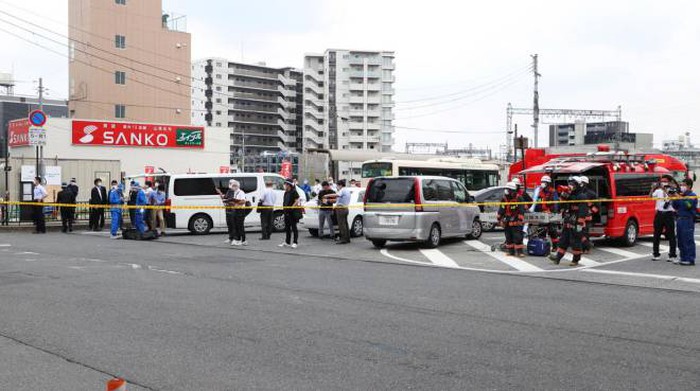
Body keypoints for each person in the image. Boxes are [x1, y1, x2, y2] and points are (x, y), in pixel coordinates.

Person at [550, 177, 589, 266]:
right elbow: (561, 207)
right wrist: (563, 197)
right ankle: (558, 258)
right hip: (568, 222)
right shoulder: (569, 195)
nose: (570, 186)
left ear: (578, 185)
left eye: (573, 184)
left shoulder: (582, 196)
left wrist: (579, 224)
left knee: (576, 243)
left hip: (576, 223)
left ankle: (575, 260)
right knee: (563, 241)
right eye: (570, 183)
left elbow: (583, 211)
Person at [671, 179, 697, 266]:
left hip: (687, 220)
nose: (682, 187)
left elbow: (688, 206)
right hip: (680, 219)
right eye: (681, 185)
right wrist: (674, 197)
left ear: (689, 186)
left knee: (688, 240)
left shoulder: (692, 195)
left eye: (683, 185)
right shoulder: (682, 195)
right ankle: (683, 257)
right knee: (680, 239)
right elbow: (675, 206)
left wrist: (679, 197)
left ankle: (690, 259)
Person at [651, 178, 677, 262]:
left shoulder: (672, 191)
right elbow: (650, 196)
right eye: (662, 182)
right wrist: (652, 188)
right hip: (659, 214)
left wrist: (670, 191)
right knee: (656, 234)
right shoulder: (658, 191)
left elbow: (675, 199)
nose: (664, 184)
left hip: (669, 214)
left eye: (666, 182)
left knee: (671, 235)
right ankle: (656, 254)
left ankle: (672, 255)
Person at [531, 175, 559, 251]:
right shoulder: (540, 192)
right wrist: (535, 212)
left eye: (544, 182)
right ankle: (542, 246)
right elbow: (537, 203)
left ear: (548, 183)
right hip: (542, 214)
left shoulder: (553, 192)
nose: (542, 183)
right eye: (542, 182)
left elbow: (556, 204)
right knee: (541, 231)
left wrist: (554, 213)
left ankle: (555, 247)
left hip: (550, 214)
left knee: (552, 231)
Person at [497, 182, 525, 257]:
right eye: (506, 189)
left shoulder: (519, 198)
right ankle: (511, 251)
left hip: (516, 220)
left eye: (508, 189)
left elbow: (521, 210)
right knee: (508, 236)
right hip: (507, 220)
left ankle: (519, 252)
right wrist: (499, 219)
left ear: (512, 191)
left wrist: (519, 220)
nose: (506, 191)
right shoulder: (504, 199)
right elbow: (501, 209)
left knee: (517, 237)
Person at [222, 179, 248, 246]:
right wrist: (230, 202)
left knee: (240, 226)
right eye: (232, 185)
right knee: (236, 226)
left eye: (234, 186)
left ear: (237, 186)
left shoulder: (241, 192)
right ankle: (238, 240)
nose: (232, 187)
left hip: (240, 211)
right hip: (235, 210)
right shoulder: (235, 193)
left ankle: (243, 240)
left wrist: (235, 202)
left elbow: (243, 201)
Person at [579, 176, 598, 253]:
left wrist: (590, 211)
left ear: (585, 183)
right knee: (580, 233)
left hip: (587, 217)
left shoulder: (591, 194)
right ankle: (585, 247)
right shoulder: (579, 192)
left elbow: (597, 206)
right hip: (579, 216)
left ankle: (587, 248)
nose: (581, 184)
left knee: (585, 233)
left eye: (582, 183)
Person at [279, 179, 301, 249]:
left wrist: (292, 207)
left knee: (294, 228)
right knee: (287, 228)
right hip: (286, 212)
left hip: (292, 213)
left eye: (285, 184)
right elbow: (284, 202)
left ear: (289, 185)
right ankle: (287, 242)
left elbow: (297, 200)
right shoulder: (286, 192)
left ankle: (295, 242)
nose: (284, 185)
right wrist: (284, 211)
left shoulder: (294, 192)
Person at [333, 179, 352, 244]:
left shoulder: (342, 190)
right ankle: (347, 238)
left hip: (341, 209)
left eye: (337, 186)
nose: (337, 187)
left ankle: (343, 239)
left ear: (340, 185)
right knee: (345, 224)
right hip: (345, 208)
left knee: (341, 224)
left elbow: (336, 195)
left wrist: (327, 196)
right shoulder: (347, 190)